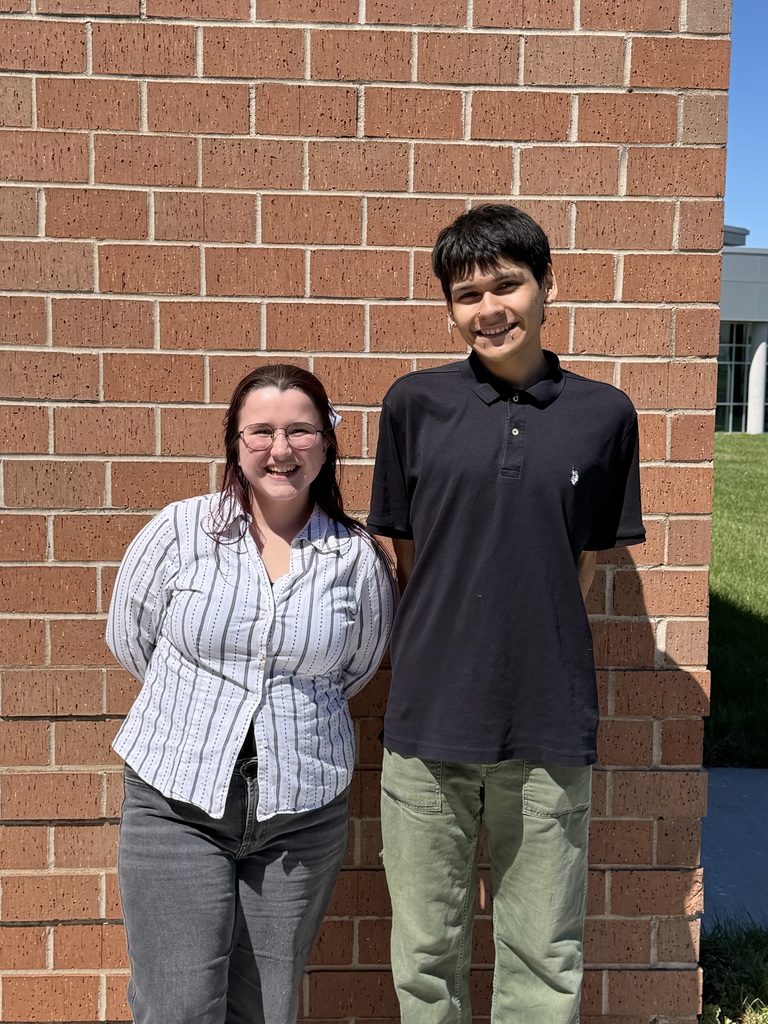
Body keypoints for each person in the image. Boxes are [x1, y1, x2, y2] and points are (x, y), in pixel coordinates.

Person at [367, 204, 645, 1024]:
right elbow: (412, 557)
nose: (488, 307)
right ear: (449, 308)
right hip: (427, 723)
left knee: (543, 952)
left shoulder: (606, 415)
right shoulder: (413, 405)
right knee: (424, 956)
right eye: (466, 293)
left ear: (546, 285)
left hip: (547, 723)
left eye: (506, 284)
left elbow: (583, 563)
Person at [107, 363, 395, 1024]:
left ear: (327, 444)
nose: (281, 448)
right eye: (261, 431)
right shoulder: (180, 532)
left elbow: (355, 667)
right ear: (235, 444)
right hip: (176, 800)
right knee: (177, 1004)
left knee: (267, 1006)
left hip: (300, 809)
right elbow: (132, 637)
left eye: (300, 431)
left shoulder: (354, 557)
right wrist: (203, 715)